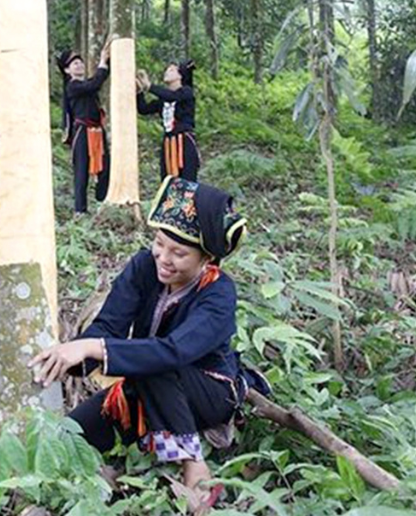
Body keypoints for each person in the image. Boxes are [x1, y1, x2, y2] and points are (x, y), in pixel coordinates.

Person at [29, 176, 266, 511]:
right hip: (147, 386)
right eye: (159, 243)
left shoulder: (219, 292)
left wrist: (94, 348)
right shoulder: (144, 266)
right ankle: (98, 479)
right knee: (70, 435)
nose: (163, 258)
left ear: (206, 259)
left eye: (179, 253)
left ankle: (195, 470)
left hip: (207, 392)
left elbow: (174, 351)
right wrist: (72, 355)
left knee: (157, 361)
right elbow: (109, 325)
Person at [57, 42, 111, 214]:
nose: (79, 64)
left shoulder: (86, 84)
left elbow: (96, 81)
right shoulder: (72, 86)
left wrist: (106, 61)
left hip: (97, 130)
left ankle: (102, 202)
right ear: (67, 71)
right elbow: (95, 84)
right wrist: (102, 62)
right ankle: (80, 210)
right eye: (74, 63)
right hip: (82, 132)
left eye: (80, 62)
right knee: (81, 170)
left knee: (105, 166)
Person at [137, 60, 200, 181]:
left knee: (186, 179)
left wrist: (149, 86)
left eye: (171, 70)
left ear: (180, 76)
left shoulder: (186, 92)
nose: (166, 71)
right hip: (168, 142)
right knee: (168, 179)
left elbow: (172, 97)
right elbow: (143, 109)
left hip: (184, 141)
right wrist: (139, 91)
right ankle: (169, 200)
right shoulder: (163, 100)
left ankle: (186, 200)